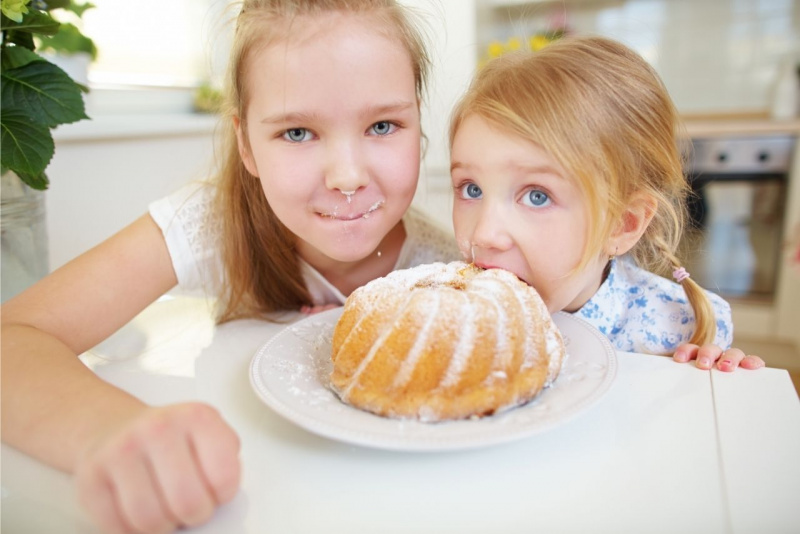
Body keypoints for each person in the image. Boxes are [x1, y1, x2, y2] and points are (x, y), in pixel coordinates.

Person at [0, 1, 459, 532]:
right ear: (246, 143)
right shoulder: (214, 224)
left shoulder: (447, 268)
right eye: (297, 133)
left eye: (383, 125)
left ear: (419, 121)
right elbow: (15, 336)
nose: (348, 175)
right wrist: (106, 429)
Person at [447, 35, 765, 371]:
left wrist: (712, 376)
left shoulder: (675, 331)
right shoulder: (451, 307)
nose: (484, 234)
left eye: (537, 196)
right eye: (471, 189)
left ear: (622, 224)